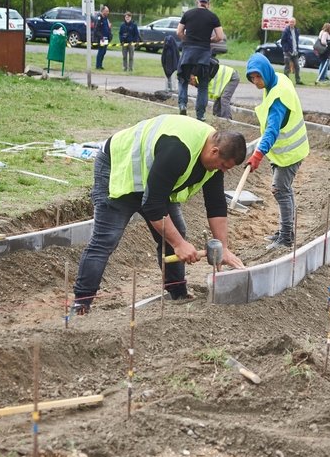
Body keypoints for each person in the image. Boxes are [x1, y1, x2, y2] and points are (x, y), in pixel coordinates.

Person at [71, 115, 247, 315]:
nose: (222, 171)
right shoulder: (179, 150)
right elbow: (153, 205)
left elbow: (215, 204)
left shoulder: (213, 159)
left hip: (155, 179)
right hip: (119, 167)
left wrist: (223, 246)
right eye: (223, 165)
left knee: (175, 232)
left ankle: (178, 292)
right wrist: (179, 244)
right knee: (106, 238)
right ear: (214, 151)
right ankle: (81, 303)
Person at [245, 53, 310, 250]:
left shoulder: (278, 98)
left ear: (265, 72)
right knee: (284, 190)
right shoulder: (277, 80)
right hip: (287, 152)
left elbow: (272, 130)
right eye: (252, 78)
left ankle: (286, 238)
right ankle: (285, 231)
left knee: (280, 190)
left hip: (290, 153)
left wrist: (258, 154)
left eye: (258, 77)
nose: (256, 82)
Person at [177, 0, 225, 121]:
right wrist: (209, 40)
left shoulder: (187, 14)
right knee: (203, 86)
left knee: (183, 80)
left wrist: (187, 40)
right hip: (203, 55)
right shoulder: (213, 17)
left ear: (198, 1)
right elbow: (220, 36)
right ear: (208, 3)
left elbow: (179, 32)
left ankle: (182, 105)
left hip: (188, 53)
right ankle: (201, 114)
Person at [280, 17, 302, 85]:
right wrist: (286, 50)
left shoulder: (296, 30)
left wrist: (296, 50)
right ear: (289, 22)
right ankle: (286, 81)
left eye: (293, 22)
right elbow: (283, 41)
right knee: (287, 66)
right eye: (291, 22)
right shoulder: (286, 31)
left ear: (295, 23)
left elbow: (296, 41)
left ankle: (298, 80)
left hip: (295, 52)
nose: (292, 23)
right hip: (287, 52)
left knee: (297, 66)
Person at [95, 5, 112, 70]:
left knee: (104, 51)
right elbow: (97, 30)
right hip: (102, 38)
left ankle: (100, 65)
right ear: (103, 11)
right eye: (106, 11)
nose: (108, 12)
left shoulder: (106, 19)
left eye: (108, 11)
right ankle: (98, 65)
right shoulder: (100, 18)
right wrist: (101, 37)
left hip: (106, 38)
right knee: (101, 51)